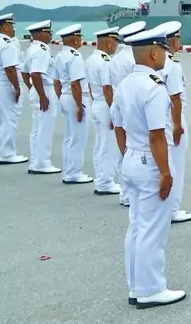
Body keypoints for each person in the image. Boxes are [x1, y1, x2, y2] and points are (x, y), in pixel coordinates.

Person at [111, 27, 186, 309]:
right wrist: (165, 172)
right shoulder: (154, 87)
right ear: (154, 53)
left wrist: (128, 155)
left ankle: (135, 285)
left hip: (131, 157)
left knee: (136, 227)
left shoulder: (125, 84)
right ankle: (151, 288)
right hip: (150, 162)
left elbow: (118, 126)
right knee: (153, 230)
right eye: (163, 51)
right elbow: (157, 135)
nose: (166, 56)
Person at [151, 21, 191, 224]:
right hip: (172, 118)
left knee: (162, 163)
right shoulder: (173, 65)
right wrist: (178, 126)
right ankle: (173, 209)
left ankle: (162, 206)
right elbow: (175, 97)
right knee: (175, 165)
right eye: (177, 38)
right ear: (172, 41)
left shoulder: (156, 63)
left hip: (159, 117)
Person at [110, 20, 149, 206]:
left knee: (123, 148)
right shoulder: (134, 59)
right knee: (138, 148)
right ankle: (134, 193)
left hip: (118, 104)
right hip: (134, 106)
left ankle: (125, 193)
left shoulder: (115, 58)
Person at [54, 24, 94, 185]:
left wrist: (61, 98)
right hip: (75, 97)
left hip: (65, 96)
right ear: (75, 40)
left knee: (69, 137)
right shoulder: (75, 56)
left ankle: (68, 170)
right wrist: (79, 105)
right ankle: (74, 173)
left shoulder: (60, 55)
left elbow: (56, 82)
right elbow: (75, 83)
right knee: (78, 137)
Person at [0, 13, 29, 166]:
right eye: (11, 26)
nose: (13, 29)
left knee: (3, 119)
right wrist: (16, 87)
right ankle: (7, 154)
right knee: (10, 119)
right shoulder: (7, 44)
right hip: (5, 85)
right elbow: (9, 68)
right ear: (5, 26)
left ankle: (3, 151)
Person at [87, 28, 123, 196]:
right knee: (108, 147)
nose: (116, 46)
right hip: (106, 105)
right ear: (109, 43)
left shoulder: (91, 59)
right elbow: (107, 88)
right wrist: (113, 111)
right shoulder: (105, 61)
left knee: (101, 145)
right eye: (116, 42)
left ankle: (102, 180)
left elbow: (90, 85)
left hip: (97, 103)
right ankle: (105, 182)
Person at [23, 21, 60, 173]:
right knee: (45, 128)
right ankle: (43, 163)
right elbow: (35, 74)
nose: (51, 36)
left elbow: (25, 72)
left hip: (38, 89)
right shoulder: (42, 51)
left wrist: (32, 88)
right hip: (45, 89)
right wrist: (42, 95)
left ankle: (35, 161)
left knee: (37, 129)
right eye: (49, 33)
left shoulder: (31, 49)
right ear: (43, 34)